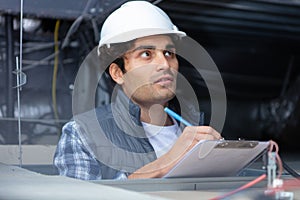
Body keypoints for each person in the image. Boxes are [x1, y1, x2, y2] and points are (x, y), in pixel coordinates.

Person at [54, 1, 222, 180]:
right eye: (146, 54)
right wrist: (167, 163)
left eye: (169, 53)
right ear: (118, 73)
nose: (165, 64)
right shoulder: (83, 134)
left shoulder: (196, 129)